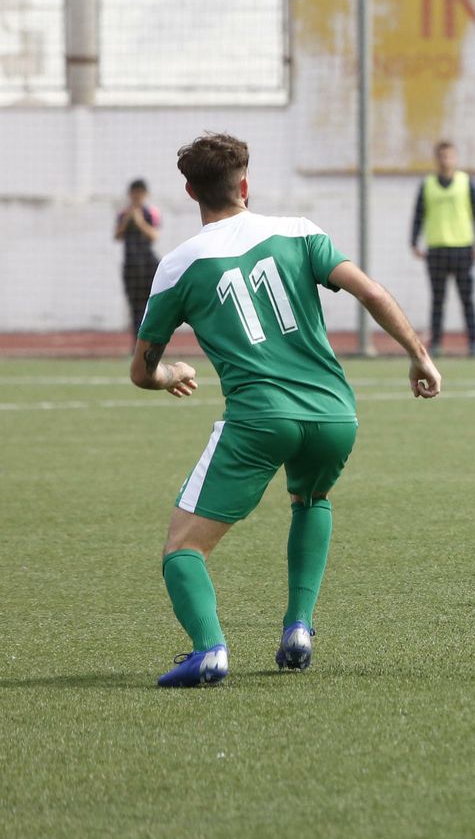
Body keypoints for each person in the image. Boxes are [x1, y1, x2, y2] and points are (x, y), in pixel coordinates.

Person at [131, 132, 441, 688]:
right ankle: (299, 628)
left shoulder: (179, 265)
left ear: (190, 191)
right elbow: (369, 291)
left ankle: (209, 651)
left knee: (183, 549)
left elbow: (141, 370)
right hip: (334, 415)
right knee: (312, 498)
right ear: (245, 185)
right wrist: (419, 355)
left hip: (259, 419)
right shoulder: (300, 232)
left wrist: (171, 374)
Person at [411, 140, 475, 357]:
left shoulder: (466, 182)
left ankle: (473, 343)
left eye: (450, 156)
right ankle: (436, 344)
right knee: (437, 300)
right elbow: (418, 214)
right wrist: (413, 242)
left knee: (467, 299)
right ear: (437, 159)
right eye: (442, 156)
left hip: (463, 248)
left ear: (456, 158)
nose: (446, 160)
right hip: (436, 249)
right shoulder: (427, 185)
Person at [114, 178, 161, 349]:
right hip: (131, 266)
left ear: (145, 195)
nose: (137, 196)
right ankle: (137, 345)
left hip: (148, 264)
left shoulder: (151, 213)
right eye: (134, 193)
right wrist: (128, 219)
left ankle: (153, 344)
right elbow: (117, 235)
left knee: (151, 306)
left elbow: (154, 235)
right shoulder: (123, 214)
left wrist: (140, 221)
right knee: (135, 307)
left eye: (140, 193)